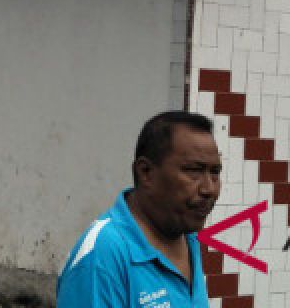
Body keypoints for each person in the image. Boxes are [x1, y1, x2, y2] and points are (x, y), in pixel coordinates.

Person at [57, 111, 221, 308]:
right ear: (146, 173)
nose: (209, 189)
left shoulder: (187, 235)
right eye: (194, 171)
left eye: (215, 172)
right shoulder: (103, 256)